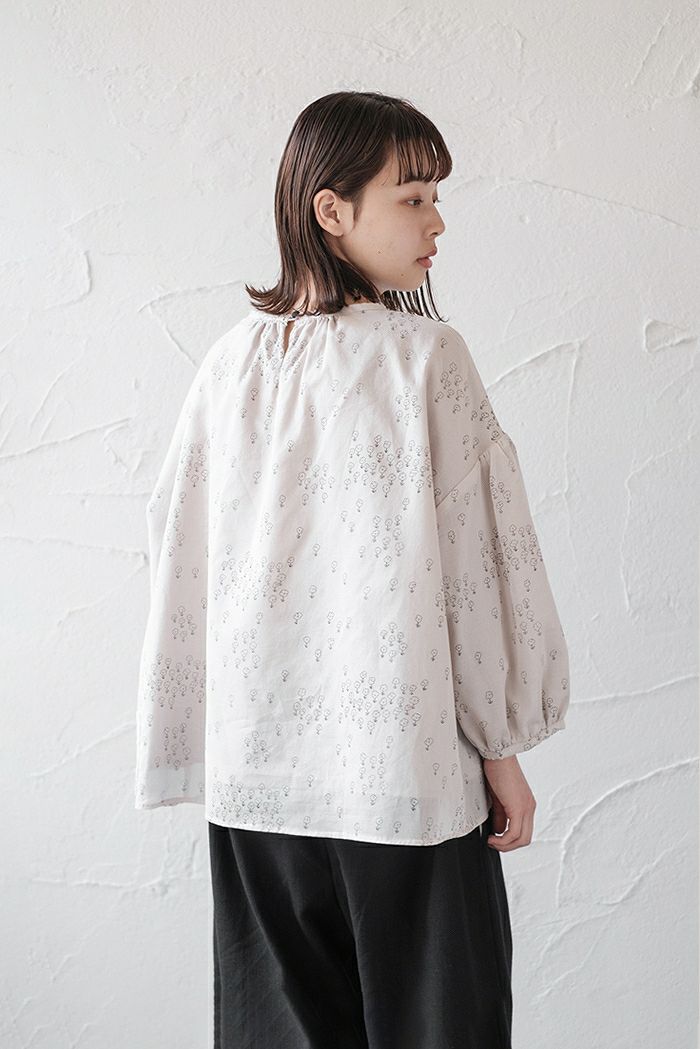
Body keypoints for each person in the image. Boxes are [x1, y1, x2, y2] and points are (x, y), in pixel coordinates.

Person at [134, 90, 571, 1049]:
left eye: (436, 196)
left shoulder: (228, 365)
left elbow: (177, 553)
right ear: (330, 211)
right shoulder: (425, 360)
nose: (437, 221)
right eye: (412, 197)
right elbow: (478, 572)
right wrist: (502, 751)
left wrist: (200, 735)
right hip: (404, 786)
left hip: (258, 789)